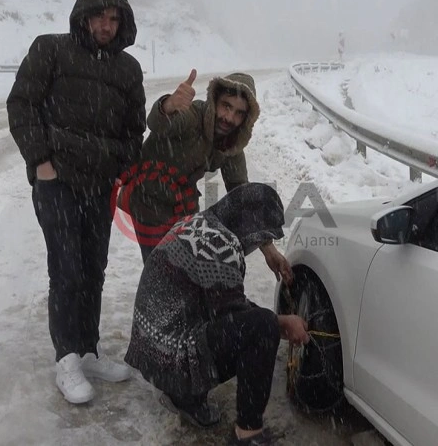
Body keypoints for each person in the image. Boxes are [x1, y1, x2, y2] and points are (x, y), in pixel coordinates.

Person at [6, 0, 146, 404]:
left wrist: (122, 171)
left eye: (113, 18)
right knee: (66, 268)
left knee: (93, 269)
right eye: (100, 16)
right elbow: (21, 104)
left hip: (99, 187)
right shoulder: (51, 49)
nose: (106, 25)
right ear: (84, 16)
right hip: (59, 183)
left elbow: (133, 131)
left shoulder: (128, 69)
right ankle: (66, 357)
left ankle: (87, 351)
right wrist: (40, 162)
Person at [124, 183, 310, 445]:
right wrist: (282, 324)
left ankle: (183, 395)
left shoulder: (201, 223)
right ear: (249, 226)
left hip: (150, 348)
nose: (258, 244)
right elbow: (238, 317)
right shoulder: (220, 247)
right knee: (262, 327)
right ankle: (248, 433)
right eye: (260, 238)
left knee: (257, 323)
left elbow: (225, 303)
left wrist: (268, 249)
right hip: (168, 356)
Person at [119, 69, 293, 284]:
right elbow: (158, 122)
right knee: (164, 277)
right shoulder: (193, 116)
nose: (229, 117)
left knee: (192, 277)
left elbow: (242, 195)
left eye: (239, 113)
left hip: (183, 208)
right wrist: (168, 106)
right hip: (148, 202)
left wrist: (268, 250)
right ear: (214, 101)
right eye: (226, 106)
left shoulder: (231, 143)